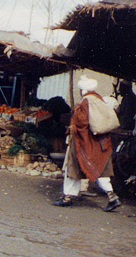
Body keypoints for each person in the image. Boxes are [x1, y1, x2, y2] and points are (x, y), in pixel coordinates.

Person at [52, 75, 121, 211]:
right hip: (99, 143)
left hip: (84, 142)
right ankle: (112, 196)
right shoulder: (99, 99)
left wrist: (73, 123)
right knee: (100, 170)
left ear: (82, 90)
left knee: (72, 168)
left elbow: (82, 122)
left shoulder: (85, 102)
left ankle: (67, 198)